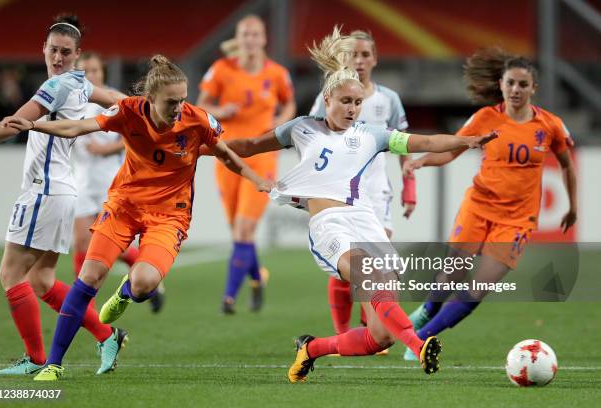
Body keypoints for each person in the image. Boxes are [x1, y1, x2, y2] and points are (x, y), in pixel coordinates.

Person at [219, 27, 497, 383]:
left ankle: (311, 348)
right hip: (329, 223)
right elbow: (249, 145)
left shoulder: (371, 135)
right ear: (327, 99)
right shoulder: (303, 128)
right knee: (368, 274)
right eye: (346, 102)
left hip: (364, 218)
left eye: (357, 103)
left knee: (377, 336)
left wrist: (467, 140)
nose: (352, 109)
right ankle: (417, 344)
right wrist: (208, 143)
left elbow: (426, 140)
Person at [4, 54, 273, 381]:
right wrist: (35, 124)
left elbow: (227, 154)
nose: (178, 108)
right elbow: (78, 126)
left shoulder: (197, 120)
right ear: (150, 98)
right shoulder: (130, 110)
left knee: (145, 284)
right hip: (124, 207)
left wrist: (256, 178)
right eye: (171, 102)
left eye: (182, 100)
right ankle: (54, 364)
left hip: (169, 217)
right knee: (87, 276)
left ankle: (125, 294)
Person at [401, 47, 577, 361]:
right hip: (479, 207)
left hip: (517, 220)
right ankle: (428, 311)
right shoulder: (485, 119)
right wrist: (422, 161)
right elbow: (452, 150)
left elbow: (566, 164)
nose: (516, 90)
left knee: (480, 288)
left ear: (533, 88)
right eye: (511, 83)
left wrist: (572, 206)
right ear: (501, 85)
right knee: (453, 274)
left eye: (523, 85)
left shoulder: (550, 126)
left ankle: (422, 338)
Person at [0, 14, 128, 376]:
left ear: (77, 54)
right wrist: (142, 107)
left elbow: (14, 123)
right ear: (44, 49)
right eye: (53, 50)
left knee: (10, 273)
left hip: (45, 191)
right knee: (42, 279)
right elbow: (114, 97)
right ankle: (106, 335)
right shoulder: (79, 84)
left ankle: (37, 359)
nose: (58, 57)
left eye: (66, 52)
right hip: (63, 191)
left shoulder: (57, 87)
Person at [310, 30, 415, 338]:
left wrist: (410, 188)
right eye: (353, 54)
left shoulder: (388, 100)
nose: (359, 60)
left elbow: (403, 145)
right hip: (340, 193)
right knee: (348, 266)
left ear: (375, 59)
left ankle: (371, 327)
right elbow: (313, 143)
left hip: (376, 191)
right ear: (344, 59)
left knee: (378, 268)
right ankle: (345, 331)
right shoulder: (326, 99)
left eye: (365, 54)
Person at [197, 14, 296, 314]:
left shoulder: (277, 73)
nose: (250, 40)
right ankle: (257, 277)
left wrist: (281, 121)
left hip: (263, 157)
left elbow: (289, 102)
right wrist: (220, 109)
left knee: (243, 229)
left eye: (255, 35)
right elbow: (201, 105)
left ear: (263, 39)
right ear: (238, 40)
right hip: (226, 154)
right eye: (245, 35)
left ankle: (228, 297)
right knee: (237, 230)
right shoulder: (221, 70)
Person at [72, 52, 165, 313]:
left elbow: (135, 134)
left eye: (94, 70)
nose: (90, 75)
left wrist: (107, 150)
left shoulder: (111, 99)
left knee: (111, 243)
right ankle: (85, 305)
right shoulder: (73, 101)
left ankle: (150, 281)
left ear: (101, 72)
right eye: (84, 71)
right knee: (80, 241)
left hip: (108, 180)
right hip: (82, 180)